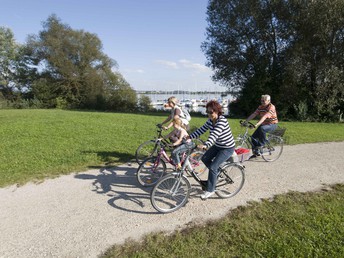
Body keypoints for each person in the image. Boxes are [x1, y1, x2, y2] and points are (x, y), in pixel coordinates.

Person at [188, 100, 235, 200]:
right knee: (204, 158)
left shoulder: (222, 120)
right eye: (207, 112)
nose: (209, 114)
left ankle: (210, 190)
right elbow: (201, 129)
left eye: (211, 112)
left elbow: (215, 134)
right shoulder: (210, 121)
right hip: (218, 145)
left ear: (217, 111)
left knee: (213, 166)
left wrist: (206, 144)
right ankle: (215, 174)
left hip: (227, 147)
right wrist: (189, 137)